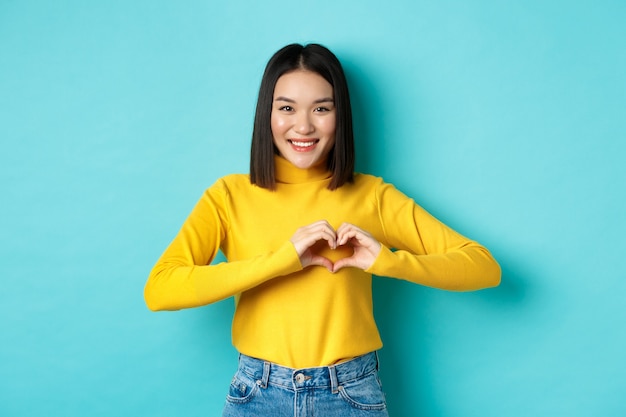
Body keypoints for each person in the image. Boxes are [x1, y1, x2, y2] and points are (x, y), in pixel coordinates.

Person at [144, 43, 501, 417]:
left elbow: (484, 267)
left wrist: (389, 262)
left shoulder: (372, 196)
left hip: (349, 393)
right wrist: (283, 260)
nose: (303, 126)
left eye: (321, 108)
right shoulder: (228, 196)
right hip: (258, 393)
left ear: (339, 115)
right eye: (286, 108)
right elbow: (161, 289)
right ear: (267, 114)